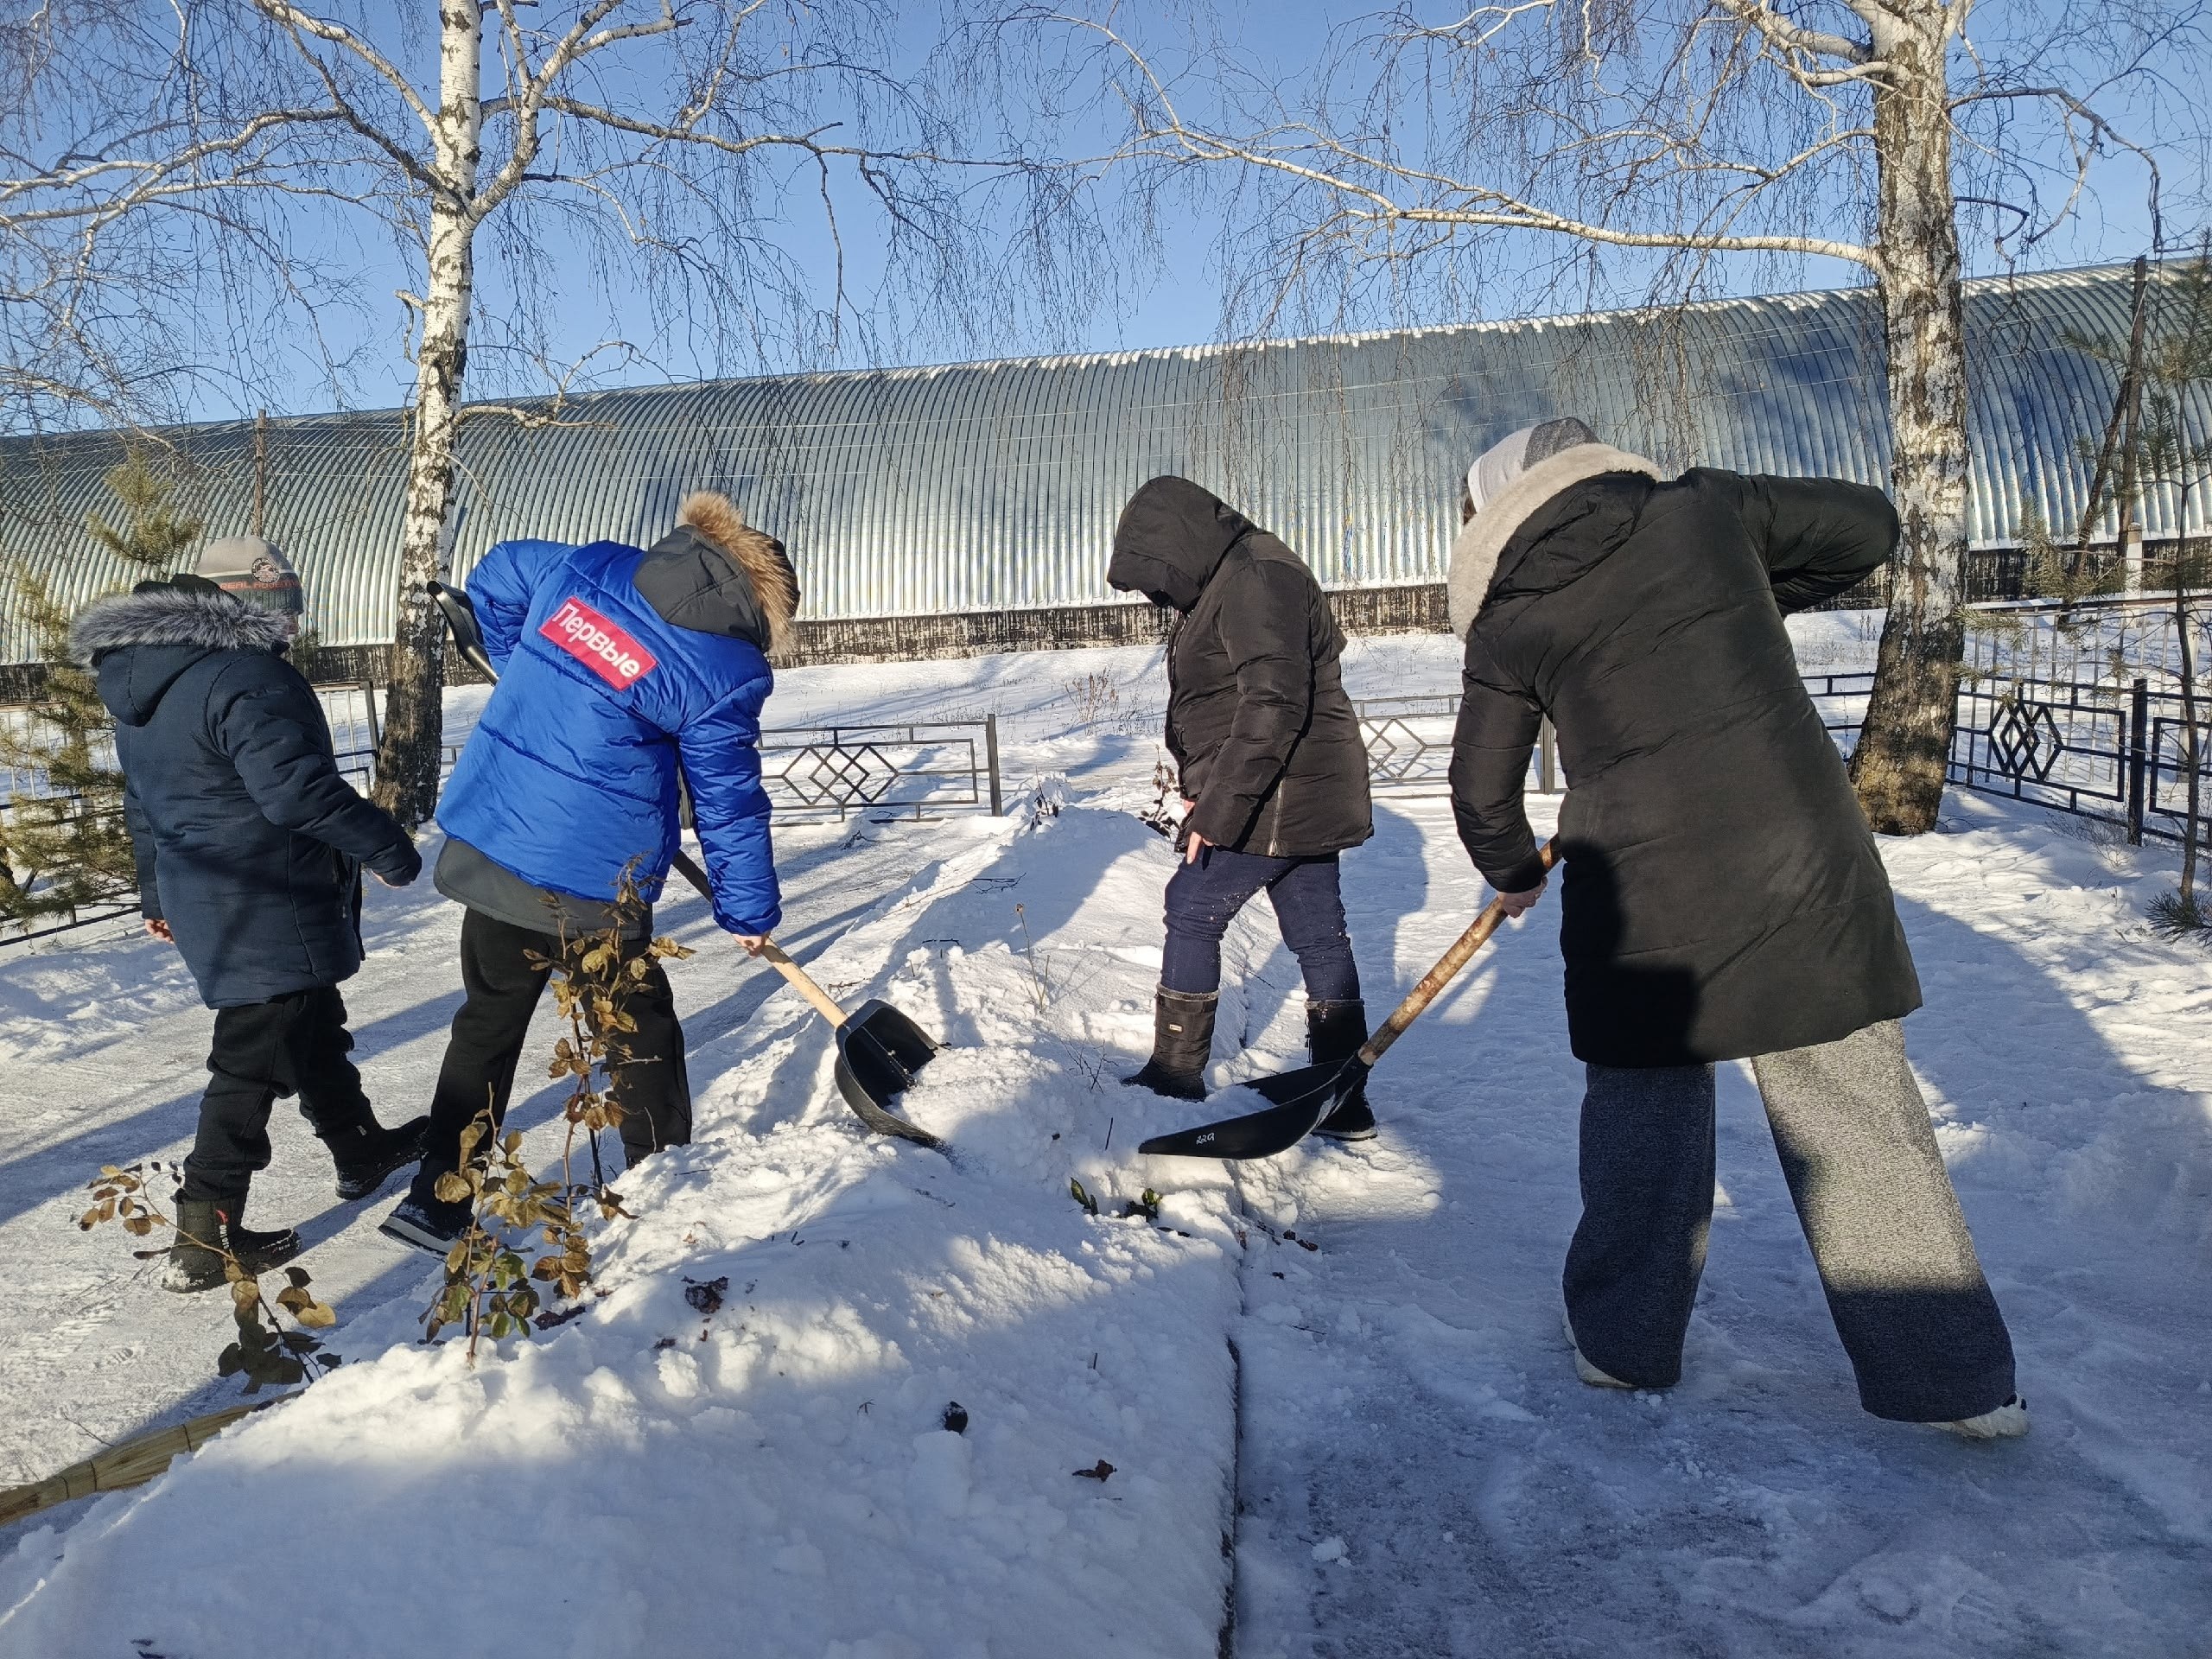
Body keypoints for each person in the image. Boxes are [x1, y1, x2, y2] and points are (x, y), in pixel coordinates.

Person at [1444, 418, 2024, 1438]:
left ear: (1492, 509)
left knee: (1643, 1127)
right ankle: (1955, 1387)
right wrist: (1738, 593)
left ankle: (1621, 1346)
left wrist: (1512, 872)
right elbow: (1869, 527)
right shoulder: (1705, 511)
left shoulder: (1511, 614)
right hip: (1797, 865)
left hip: (1640, 900)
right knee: (1856, 1123)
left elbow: (1479, 794)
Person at [380, 492, 796, 1255]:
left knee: (486, 1026)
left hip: (499, 839)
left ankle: (436, 1201)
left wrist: (522, 667)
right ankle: (659, 1178)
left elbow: (499, 569)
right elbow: (728, 803)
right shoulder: (725, 669)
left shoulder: (593, 568)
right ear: (759, 606)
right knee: (637, 1029)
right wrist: (747, 911)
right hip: (596, 881)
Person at [73, 542, 425, 1294]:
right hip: (267, 890)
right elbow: (297, 793)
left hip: (212, 891)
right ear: (238, 603)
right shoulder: (246, 675)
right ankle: (206, 1230)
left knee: (310, 1021)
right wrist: (388, 848)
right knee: (251, 1056)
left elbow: (142, 804)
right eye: (280, 604)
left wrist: (157, 895)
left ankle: (358, 1146)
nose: (292, 621)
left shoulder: (148, 676)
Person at [1106, 475, 1377, 1138]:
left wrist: (1219, 810)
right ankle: (1343, 1100)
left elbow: (1272, 703)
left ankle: (1175, 1076)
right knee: (1318, 933)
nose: (1161, 596)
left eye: (1159, 578)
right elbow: (1230, 697)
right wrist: (1203, 778)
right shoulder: (1240, 573)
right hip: (1296, 787)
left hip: (1280, 791)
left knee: (1191, 906)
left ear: (1177, 545)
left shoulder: (1256, 578)